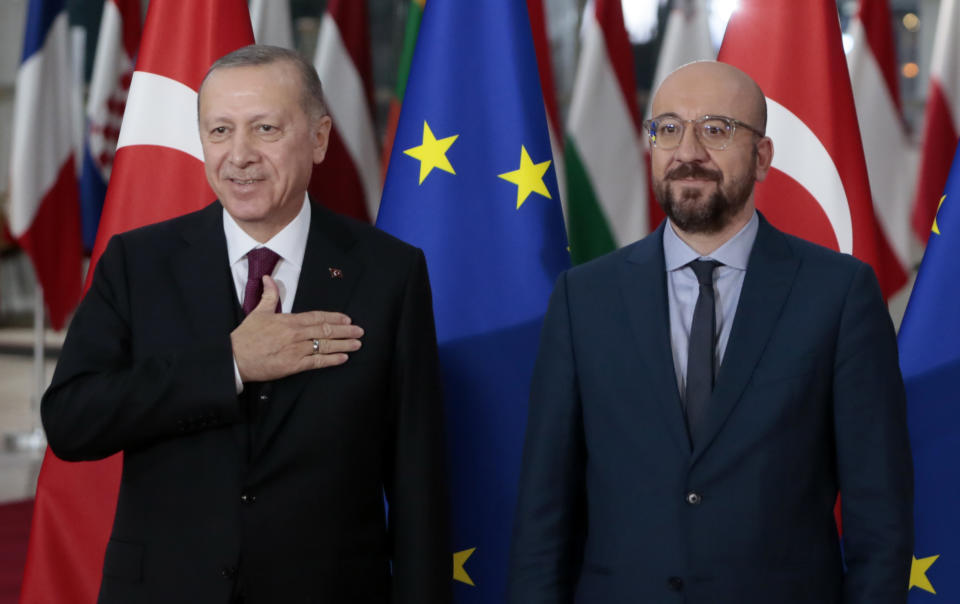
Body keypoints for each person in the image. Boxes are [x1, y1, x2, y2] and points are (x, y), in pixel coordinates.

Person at [42, 45, 451, 604]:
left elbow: (416, 481)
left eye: (264, 128)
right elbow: (70, 420)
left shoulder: (389, 274)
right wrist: (231, 364)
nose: (239, 155)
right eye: (219, 131)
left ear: (319, 137)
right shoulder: (137, 264)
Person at [507, 61, 912, 603]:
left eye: (716, 129)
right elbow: (543, 513)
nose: (688, 151)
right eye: (668, 128)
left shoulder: (839, 295)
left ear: (763, 157)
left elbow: (879, 517)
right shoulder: (584, 298)